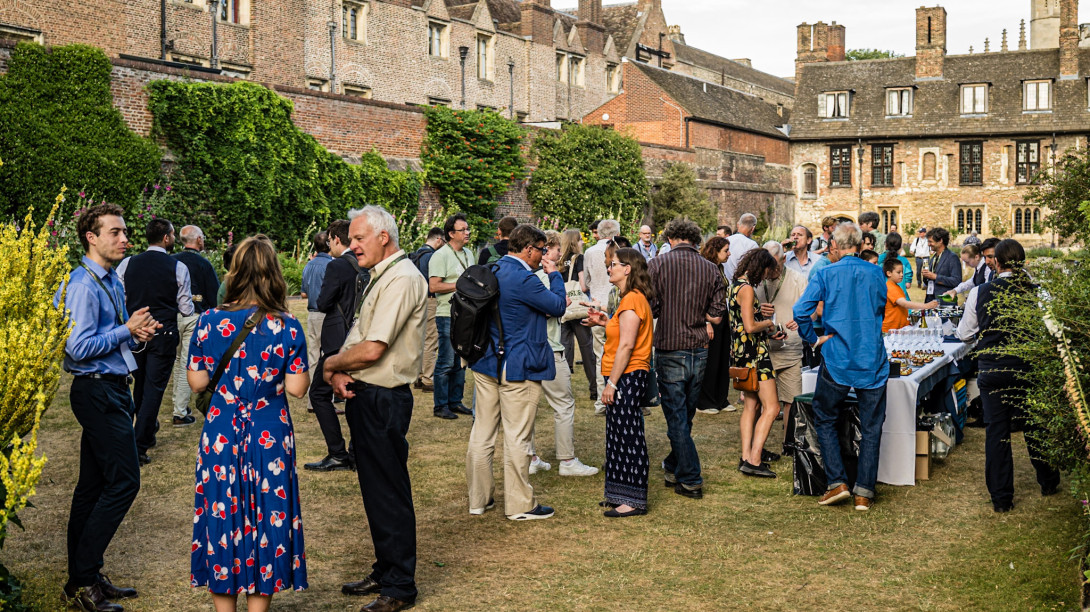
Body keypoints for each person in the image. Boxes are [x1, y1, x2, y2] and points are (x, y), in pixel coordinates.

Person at [187, 236, 309, 612]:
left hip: (222, 433)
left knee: (222, 516)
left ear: (234, 273)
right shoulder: (288, 326)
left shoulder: (208, 321)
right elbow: (297, 388)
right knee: (268, 519)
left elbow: (197, 382)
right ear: (275, 275)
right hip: (269, 433)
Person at [322, 208, 427, 612]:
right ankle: (386, 571)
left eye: (359, 238)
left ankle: (399, 586)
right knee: (376, 490)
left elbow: (372, 349)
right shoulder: (385, 274)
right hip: (368, 394)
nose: (352, 246)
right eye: (351, 238)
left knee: (388, 492)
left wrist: (330, 364)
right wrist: (339, 372)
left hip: (384, 397)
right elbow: (361, 338)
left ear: (384, 237)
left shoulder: (402, 278)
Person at [58, 204, 157, 612]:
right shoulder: (82, 285)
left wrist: (135, 335)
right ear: (91, 237)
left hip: (113, 388)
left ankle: (84, 579)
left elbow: (111, 336)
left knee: (93, 486)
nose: (124, 239)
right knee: (124, 482)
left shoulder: (113, 280)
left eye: (125, 232)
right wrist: (124, 330)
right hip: (96, 391)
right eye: (115, 232)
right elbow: (77, 349)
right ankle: (84, 578)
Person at [466, 224, 567, 520]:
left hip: (487, 362)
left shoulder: (493, 269)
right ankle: (519, 504)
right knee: (517, 437)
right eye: (541, 250)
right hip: (518, 365)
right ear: (528, 249)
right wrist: (554, 274)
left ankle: (478, 499)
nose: (543, 256)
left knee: (482, 433)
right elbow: (557, 306)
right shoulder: (524, 278)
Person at [955, 239, 1060, 512]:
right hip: (1028, 367)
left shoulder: (980, 292)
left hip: (994, 368)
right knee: (1035, 426)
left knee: (997, 432)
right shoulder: (1038, 292)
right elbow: (1053, 329)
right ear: (1022, 263)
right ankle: (1048, 480)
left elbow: (964, 334)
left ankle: (1002, 499)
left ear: (997, 264)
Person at [793, 222, 888, 512]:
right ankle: (864, 491)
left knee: (825, 416)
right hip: (870, 356)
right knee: (871, 427)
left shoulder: (827, 272)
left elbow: (800, 311)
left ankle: (837, 481)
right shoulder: (874, 272)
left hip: (839, 356)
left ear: (834, 244)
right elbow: (880, 308)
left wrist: (814, 340)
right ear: (859, 245)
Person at [648, 218, 726, 499]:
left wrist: (672, 306)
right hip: (699, 347)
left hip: (671, 345)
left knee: (678, 415)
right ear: (695, 240)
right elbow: (716, 314)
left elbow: (651, 308)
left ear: (670, 239)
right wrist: (696, 310)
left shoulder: (657, 264)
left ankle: (691, 478)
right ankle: (673, 465)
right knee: (684, 414)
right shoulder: (711, 268)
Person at [583, 247, 655, 517]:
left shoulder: (633, 299)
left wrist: (612, 384)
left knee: (628, 436)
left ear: (628, 269)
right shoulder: (628, 299)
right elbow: (622, 332)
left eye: (613, 264)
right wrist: (606, 322)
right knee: (617, 436)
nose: (608, 268)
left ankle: (633, 500)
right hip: (622, 374)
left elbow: (627, 345)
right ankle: (618, 494)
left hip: (627, 375)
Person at [118, 218, 195, 464]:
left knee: (140, 384)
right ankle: (139, 445)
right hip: (163, 332)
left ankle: (145, 432)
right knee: (153, 389)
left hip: (135, 332)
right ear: (166, 238)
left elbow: (120, 298)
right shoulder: (178, 267)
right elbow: (186, 308)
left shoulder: (128, 263)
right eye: (172, 235)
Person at [531, 231, 599, 477]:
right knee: (564, 404)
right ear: (546, 249)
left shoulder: (527, 277)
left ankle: (530, 457)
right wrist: (560, 305)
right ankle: (567, 460)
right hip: (549, 347)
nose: (560, 254)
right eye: (557, 249)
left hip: (530, 348)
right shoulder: (545, 277)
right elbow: (548, 308)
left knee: (528, 407)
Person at [306, 219, 366, 472]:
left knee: (318, 394)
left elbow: (323, 302)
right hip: (361, 337)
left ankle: (338, 452)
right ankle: (357, 451)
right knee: (355, 394)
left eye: (330, 241)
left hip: (337, 339)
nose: (329, 245)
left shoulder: (337, 265)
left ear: (336, 239)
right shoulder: (365, 263)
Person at [729, 248, 786, 478]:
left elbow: (742, 324)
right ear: (759, 267)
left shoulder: (735, 285)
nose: (765, 277)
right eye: (765, 272)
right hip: (756, 356)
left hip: (742, 353)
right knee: (772, 407)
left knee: (751, 406)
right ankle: (754, 460)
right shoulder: (747, 290)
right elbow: (750, 326)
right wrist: (769, 324)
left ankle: (746, 457)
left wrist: (763, 326)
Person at [755, 241, 809, 455]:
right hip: (762, 348)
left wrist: (801, 319)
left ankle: (789, 443)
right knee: (757, 402)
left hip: (790, 347)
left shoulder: (798, 280)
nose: (769, 269)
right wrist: (758, 310)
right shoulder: (755, 280)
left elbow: (812, 311)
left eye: (774, 264)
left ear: (784, 259)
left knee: (791, 399)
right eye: (766, 264)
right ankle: (757, 447)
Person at [171, 224, 220, 426]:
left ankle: (178, 404)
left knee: (177, 361)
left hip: (173, 316)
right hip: (194, 316)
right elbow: (214, 295)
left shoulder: (172, 261)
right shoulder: (203, 264)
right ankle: (180, 412)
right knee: (186, 363)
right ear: (198, 239)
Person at [428, 214, 475, 420]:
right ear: (451, 233)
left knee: (461, 361)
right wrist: (460, 284)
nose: (467, 233)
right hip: (447, 314)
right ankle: (441, 405)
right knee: (446, 361)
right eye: (462, 230)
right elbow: (434, 286)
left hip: (466, 314)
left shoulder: (469, 254)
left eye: (467, 229)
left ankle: (455, 401)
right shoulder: (440, 256)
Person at [583, 218, 620, 415]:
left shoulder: (589, 252)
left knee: (600, 356)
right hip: (616, 304)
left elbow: (586, 281)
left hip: (597, 304)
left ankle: (601, 402)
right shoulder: (620, 250)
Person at [695, 236, 735, 415]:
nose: (729, 253)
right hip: (710, 318)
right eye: (726, 250)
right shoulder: (705, 268)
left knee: (722, 358)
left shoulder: (720, 268)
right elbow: (700, 298)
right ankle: (705, 401)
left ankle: (721, 398)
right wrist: (706, 322)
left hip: (723, 316)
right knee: (711, 360)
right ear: (715, 251)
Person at [559, 228, 597, 401]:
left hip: (564, 308)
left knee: (565, 349)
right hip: (579, 308)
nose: (583, 242)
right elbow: (582, 286)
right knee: (587, 348)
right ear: (575, 241)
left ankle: (564, 390)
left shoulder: (559, 260)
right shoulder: (579, 258)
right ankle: (594, 388)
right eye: (580, 239)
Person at [301, 230, 332, 411]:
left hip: (312, 314)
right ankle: (326, 397)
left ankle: (313, 400)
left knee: (313, 357)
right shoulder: (331, 265)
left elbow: (303, 293)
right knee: (329, 356)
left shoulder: (309, 265)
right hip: (326, 314)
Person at [411, 227, 445, 392]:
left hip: (415, 300)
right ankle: (428, 379)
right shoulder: (433, 257)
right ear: (438, 239)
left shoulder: (415, 255)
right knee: (431, 340)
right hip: (430, 300)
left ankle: (417, 376)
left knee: (418, 339)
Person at [882, 258, 939, 332]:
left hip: (899, 328)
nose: (902, 275)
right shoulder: (890, 287)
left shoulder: (896, 286)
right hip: (891, 329)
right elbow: (904, 304)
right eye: (898, 272)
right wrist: (926, 306)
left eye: (902, 272)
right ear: (889, 273)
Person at [922, 227, 960, 302]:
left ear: (940, 241)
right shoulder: (933, 258)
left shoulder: (952, 257)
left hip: (945, 301)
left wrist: (936, 277)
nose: (929, 244)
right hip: (930, 300)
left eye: (930, 242)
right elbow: (929, 281)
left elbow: (956, 281)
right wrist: (926, 276)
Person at [724, 213, 758, 281]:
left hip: (724, 283)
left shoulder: (725, 241)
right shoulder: (752, 245)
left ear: (738, 224)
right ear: (753, 228)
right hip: (742, 285)